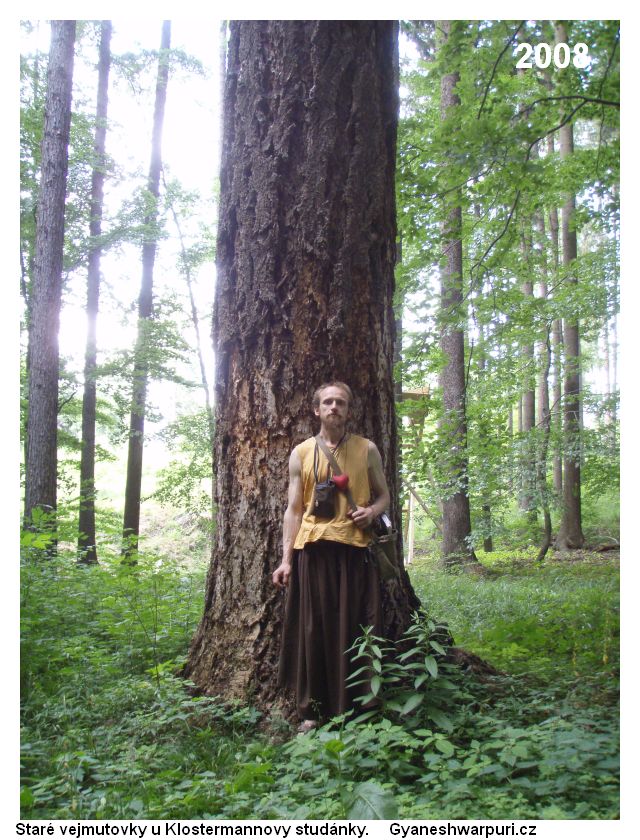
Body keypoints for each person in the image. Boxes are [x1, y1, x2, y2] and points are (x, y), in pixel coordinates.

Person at [272, 382, 391, 732]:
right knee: (314, 632)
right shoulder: (302, 453)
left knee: (357, 629)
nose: (334, 407)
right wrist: (286, 560)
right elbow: (293, 511)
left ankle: (360, 706)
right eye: (327, 402)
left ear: (349, 410)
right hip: (314, 552)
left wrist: (371, 513)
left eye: (340, 402)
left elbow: (384, 496)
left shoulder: (366, 449)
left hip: (355, 552)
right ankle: (313, 710)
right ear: (317, 409)